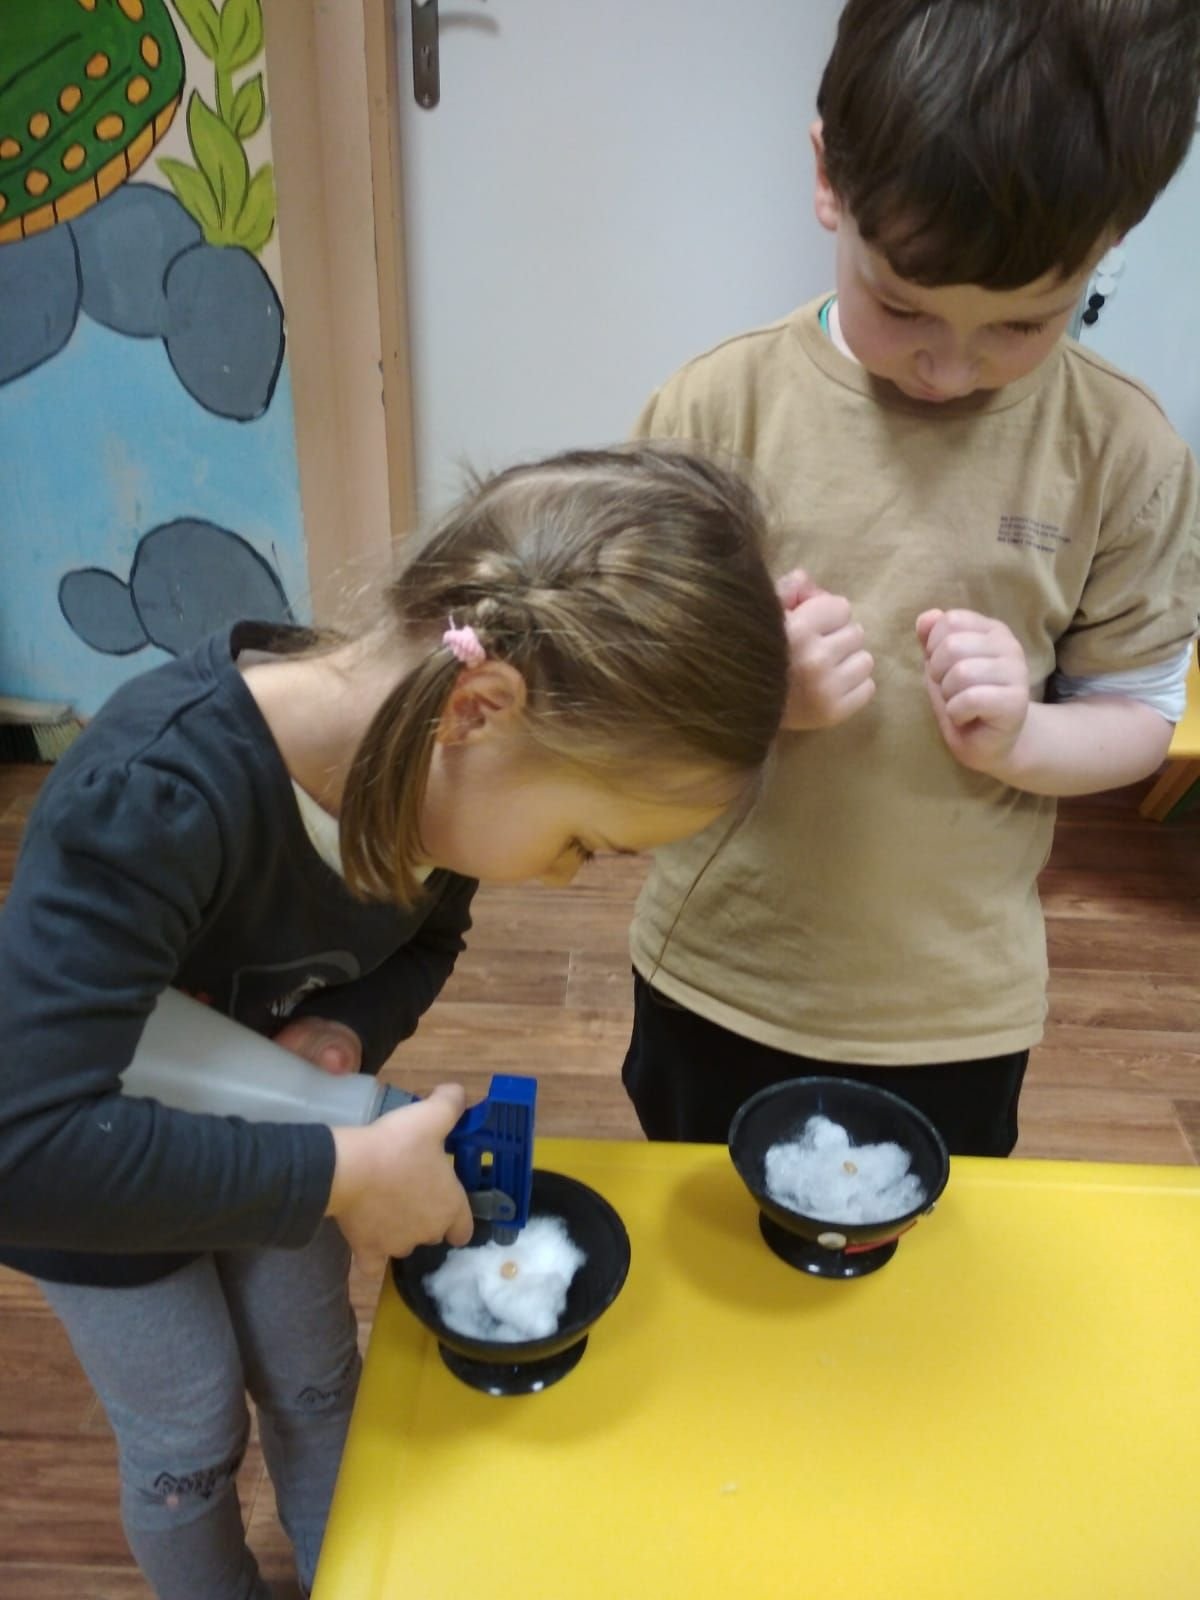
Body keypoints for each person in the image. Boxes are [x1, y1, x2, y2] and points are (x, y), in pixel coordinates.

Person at [0, 445, 788, 1600]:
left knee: (321, 1382)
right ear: (480, 707)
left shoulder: (428, 782)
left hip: (286, 1135)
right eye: (584, 841)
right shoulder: (155, 797)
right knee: (190, 1434)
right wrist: (341, 1174)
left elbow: (423, 944)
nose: (565, 877)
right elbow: (24, 1150)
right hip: (97, 1182)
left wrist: (345, 1033)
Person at [624, 0, 1200, 1156]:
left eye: (1022, 326)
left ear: (1111, 245)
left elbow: (1139, 714)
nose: (950, 366)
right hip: (721, 972)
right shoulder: (715, 410)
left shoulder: (1123, 452)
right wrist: (756, 690)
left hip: (957, 1010)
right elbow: (628, 685)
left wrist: (1025, 736)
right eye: (902, 307)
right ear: (828, 178)